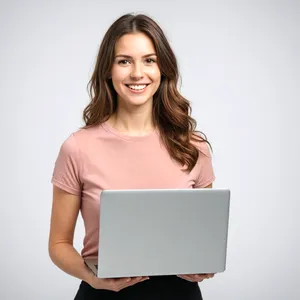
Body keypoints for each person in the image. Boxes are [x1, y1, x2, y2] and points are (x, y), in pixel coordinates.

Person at [49, 13, 216, 300]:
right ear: (108, 70)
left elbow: (205, 240)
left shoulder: (193, 146)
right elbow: (59, 243)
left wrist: (205, 264)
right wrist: (92, 277)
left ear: (163, 68)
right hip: (102, 294)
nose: (138, 73)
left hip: (179, 294)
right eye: (124, 61)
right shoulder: (77, 148)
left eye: (149, 60)